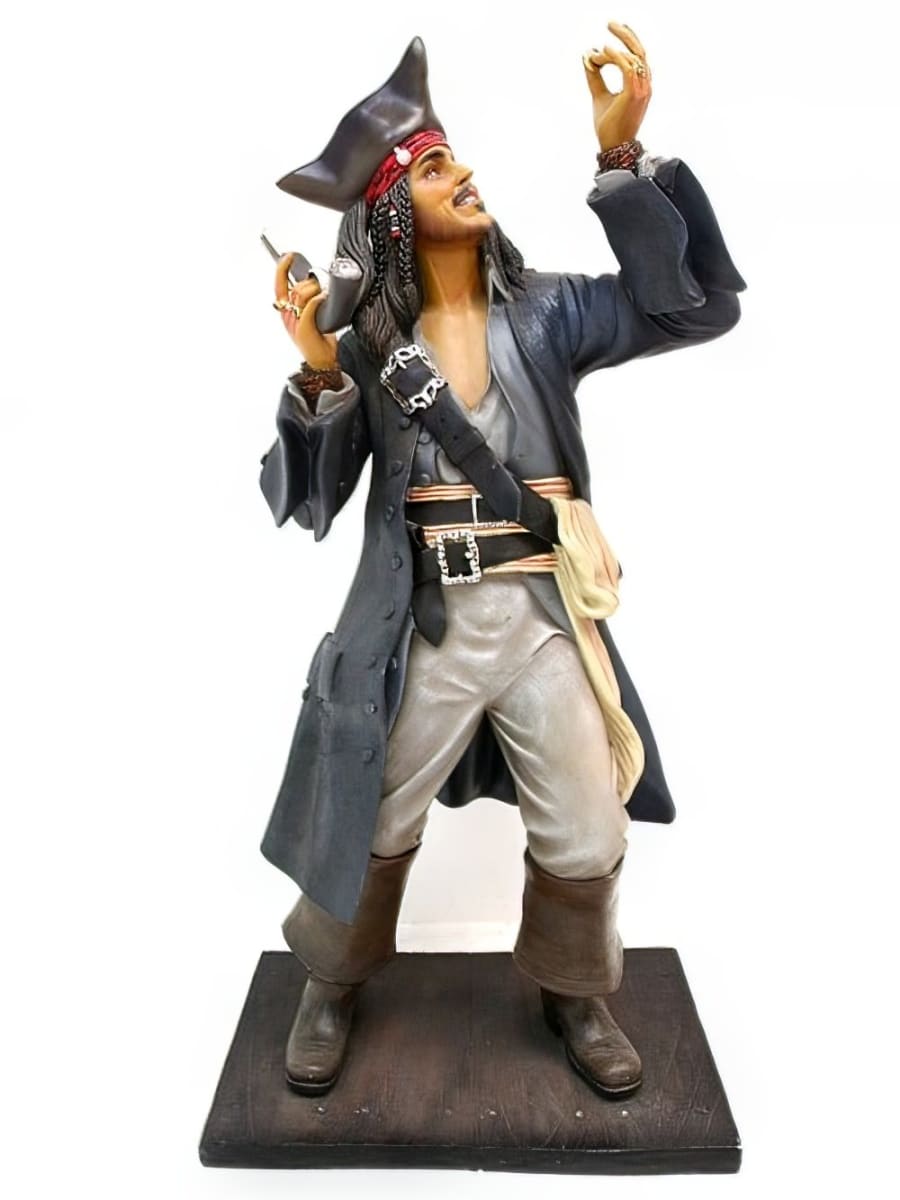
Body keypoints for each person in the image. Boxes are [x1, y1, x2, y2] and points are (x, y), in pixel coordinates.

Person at [259, 27, 744, 1099]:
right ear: (394, 211)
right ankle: (330, 981)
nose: (466, 172)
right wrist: (320, 375)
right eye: (436, 168)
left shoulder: (551, 311)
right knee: (369, 813)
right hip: (421, 623)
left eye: (456, 157)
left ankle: (576, 990)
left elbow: (695, 307)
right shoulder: (373, 347)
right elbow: (308, 501)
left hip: (538, 615)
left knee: (586, 816)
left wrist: (624, 161)